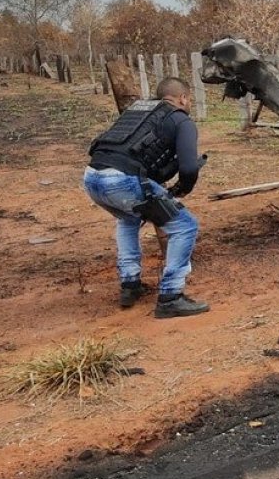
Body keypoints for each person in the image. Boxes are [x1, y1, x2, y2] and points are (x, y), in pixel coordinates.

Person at [83, 77, 209, 318]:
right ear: (182, 98)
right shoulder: (181, 120)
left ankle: (130, 285)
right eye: (189, 99)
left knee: (128, 219)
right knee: (185, 225)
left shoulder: (139, 110)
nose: (189, 103)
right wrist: (183, 188)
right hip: (122, 180)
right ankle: (170, 297)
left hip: (92, 177)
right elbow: (189, 168)